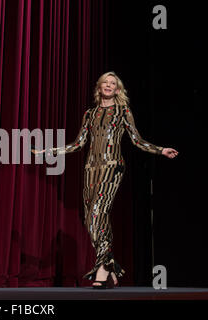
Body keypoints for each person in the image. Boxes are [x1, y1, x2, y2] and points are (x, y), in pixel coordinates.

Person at [32, 71, 178, 289]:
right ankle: (108, 263)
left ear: (117, 90)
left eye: (113, 83)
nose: (108, 86)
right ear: (99, 87)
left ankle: (102, 269)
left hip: (112, 168)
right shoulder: (89, 114)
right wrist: (49, 151)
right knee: (90, 220)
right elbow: (78, 144)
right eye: (105, 83)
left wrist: (160, 150)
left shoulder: (122, 111)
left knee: (98, 212)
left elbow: (137, 140)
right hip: (91, 169)